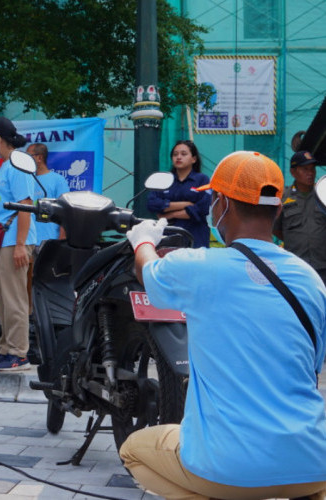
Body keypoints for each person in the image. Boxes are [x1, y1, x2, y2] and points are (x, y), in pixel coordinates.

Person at [122, 151, 326, 499]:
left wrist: (142, 239)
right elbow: (313, 364)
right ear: (278, 209)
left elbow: (148, 272)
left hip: (227, 466)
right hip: (313, 462)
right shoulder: (310, 279)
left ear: (221, 204)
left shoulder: (200, 267)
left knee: (133, 450)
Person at [0, 117, 36, 372]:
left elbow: (26, 206)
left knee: (14, 299)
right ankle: (6, 348)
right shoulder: (1, 169)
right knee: (0, 299)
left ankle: (19, 352)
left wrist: (21, 244)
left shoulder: (18, 165)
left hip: (14, 240)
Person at [273, 150, 326, 284]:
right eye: (305, 169)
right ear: (293, 172)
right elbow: (276, 228)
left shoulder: (322, 194)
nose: (311, 173)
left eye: (313, 169)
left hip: (323, 266)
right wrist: (296, 238)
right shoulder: (284, 198)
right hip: (296, 266)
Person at [147, 140, 210, 248]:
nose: (179, 157)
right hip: (167, 237)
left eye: (184, 154)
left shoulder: (202, 180)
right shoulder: (163, 179)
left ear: (194, 159)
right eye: (175, 154)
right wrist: (186, 204)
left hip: (195, 237)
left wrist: (169, 214)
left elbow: (202, 209)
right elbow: (152, 203)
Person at [27, 143, 69, 244]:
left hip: (49, 240)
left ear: (40, 158)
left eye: (29, 156)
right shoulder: (26, 180)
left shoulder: (58, 180)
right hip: (27, 241)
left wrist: (62, 236)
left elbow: (65, 210)